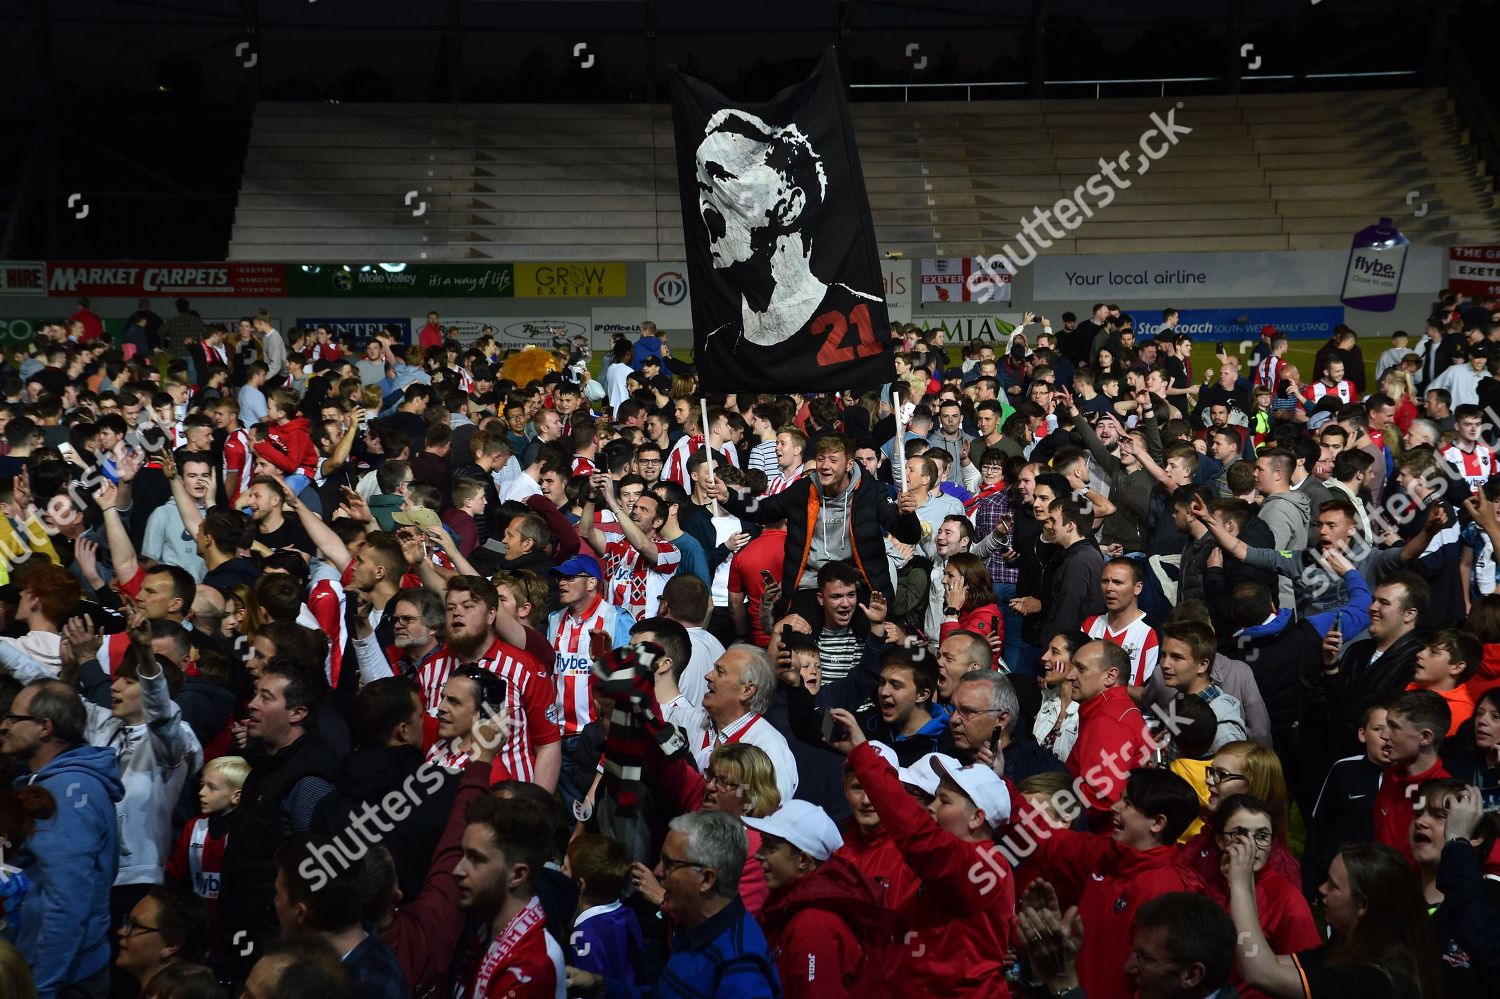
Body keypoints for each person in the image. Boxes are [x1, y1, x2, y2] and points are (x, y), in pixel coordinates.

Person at [831, 709, 1016, 999]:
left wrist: (863, 754)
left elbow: (917, 835)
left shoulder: (982, 864)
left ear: (976, 818)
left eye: (944, 800)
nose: (931, 807)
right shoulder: (959, 861)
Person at [1024, 768, 1206, 999]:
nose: (1114, 807)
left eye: (1127, 803)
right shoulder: (1108, 856)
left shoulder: (1172, 894)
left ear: (1158, 823)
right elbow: (1052, 842)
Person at [566, 810, 779, 998]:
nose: (658, 872)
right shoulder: (693, 927)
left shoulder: (740, 968)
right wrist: (599, 985)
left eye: (670, 864)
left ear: (707, 879)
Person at [0, 679, 124, 999]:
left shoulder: (68, 791)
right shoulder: (54, 782)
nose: (4, 726)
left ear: (44, 727)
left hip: (63, 978)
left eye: (14, 719)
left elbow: (67, 901)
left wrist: (40, 988)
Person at [1227, 841, 1442, 999]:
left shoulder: (1372, 980)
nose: (1321, 889)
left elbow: (1261, 972)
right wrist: (1247, 882)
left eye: (1333, 885)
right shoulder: (1347, 944)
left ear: (1362, 905)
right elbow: (1264, 960)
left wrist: (1238, 883)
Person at [744, 799, 889, 999]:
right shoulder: (795, 908)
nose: (759, 855)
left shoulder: (814, 925)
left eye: (770, 846)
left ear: (803, 860)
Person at [1065, 639, 1153, 826]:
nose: (1070, 675)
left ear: (1110, 677)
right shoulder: (1115, 709)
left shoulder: (1107, 720)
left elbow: (1102, 797)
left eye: (1081, 669)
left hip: (1099, 840)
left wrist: (1057, 807)